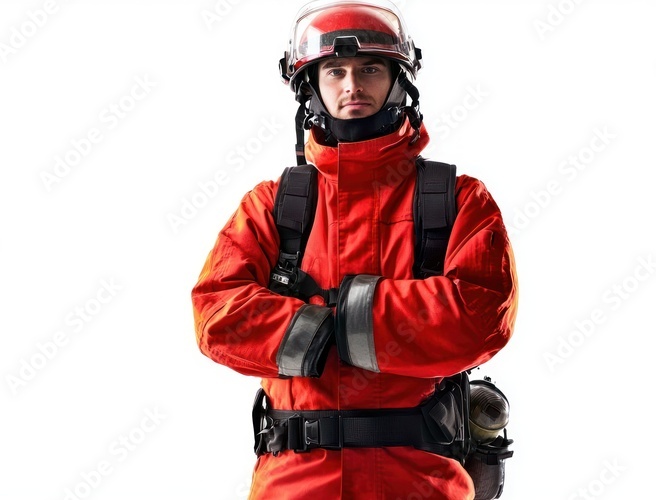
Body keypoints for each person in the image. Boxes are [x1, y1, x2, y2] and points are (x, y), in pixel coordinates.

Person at [191, 1, 518, 498]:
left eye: (370, 69)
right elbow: (217, 316)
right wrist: (326, 331)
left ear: (399, 81)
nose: (352, 85)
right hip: (296, 486)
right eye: (335, 71)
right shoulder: (273, 205)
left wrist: (333, 322)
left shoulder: (458, 200)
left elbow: (481, 315)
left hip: (420, 484)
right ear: (311, 86)